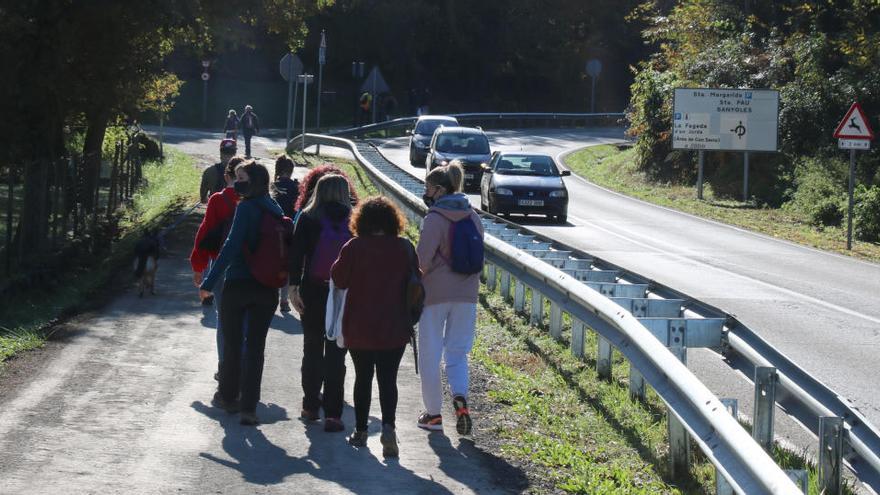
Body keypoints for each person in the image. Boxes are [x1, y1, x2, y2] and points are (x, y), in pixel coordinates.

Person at [331, 196, 417, 457]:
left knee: (363, 378)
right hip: (394, 324)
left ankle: (360, 431)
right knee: (388, 379)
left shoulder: (354, 247)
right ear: (393, 221)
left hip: (360, 324)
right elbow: (417, 280)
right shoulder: (404, 247)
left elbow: (338, 278)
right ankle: (389, 428)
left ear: (362, 220)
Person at [200, 160, 282, 426]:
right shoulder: (275, 208)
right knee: (256, 348)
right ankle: (249, 408)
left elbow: (231, 246)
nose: (236, 183)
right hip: (266, 288)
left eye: (241, 177)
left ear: (253, 180)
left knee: (233, 344)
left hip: (238, 284)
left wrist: (209, 281)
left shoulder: (245, 208)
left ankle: (228, 397)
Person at [415, 162, 483, 435]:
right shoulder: (473, 216)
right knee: (457, 353)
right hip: (467, 296)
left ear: (439, 189)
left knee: (430, 355)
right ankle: (460, 398)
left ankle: (433, 415)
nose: (426, 191)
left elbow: (422, 261)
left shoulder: (434, 218)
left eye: (428, 187)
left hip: (435, 296)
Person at [289, 175, 354, 432]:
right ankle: (334, 413)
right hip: (342, 293)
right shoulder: (354, 219)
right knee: (337, 352)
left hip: (313, 289)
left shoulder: (307, 217)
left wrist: (293, 288)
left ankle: (310, 406)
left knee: (312, 348)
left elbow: (296, 255)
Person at [191, 156, 245, 378]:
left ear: (226, 176)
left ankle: (225, 365)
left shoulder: (218, 200)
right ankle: (242, 365)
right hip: (249, 268)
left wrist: (198, 266)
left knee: (224, 319)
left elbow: (205, 234)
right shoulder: (253, 199)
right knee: (245, 321)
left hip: (220, 266)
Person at [271, 155, 299, 312]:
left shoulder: (273, 186)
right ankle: (284, 300)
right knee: (286, 264)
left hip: (274, 230)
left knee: (273, 262)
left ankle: (273, 295)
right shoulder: (296, 188)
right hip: (291, 229)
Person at [200, 139, 237, 203]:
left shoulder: (209, 171)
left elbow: (203, 198)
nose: (228, 155)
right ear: (235, 154)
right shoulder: (243, 173)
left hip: (215, 207)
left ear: (221, 153)